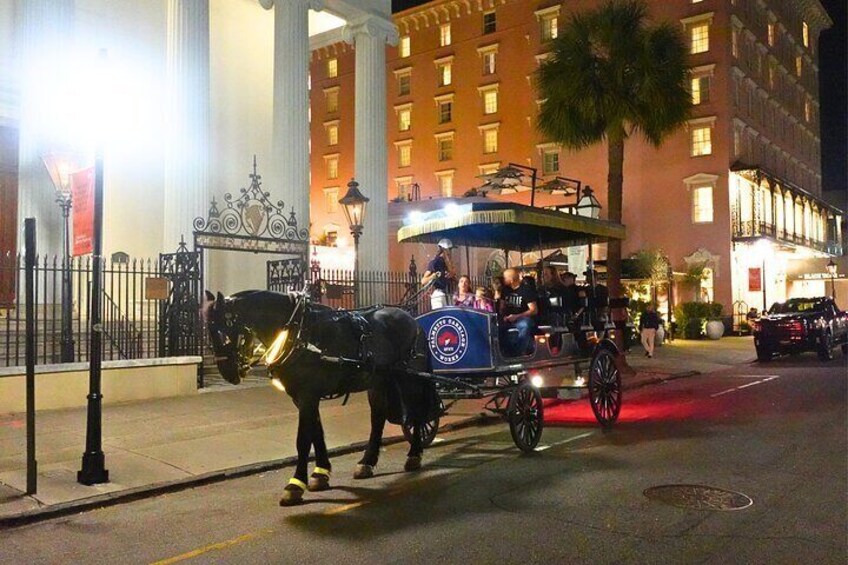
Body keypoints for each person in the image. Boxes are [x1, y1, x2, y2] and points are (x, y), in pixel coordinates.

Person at [500, 268, 538, 356]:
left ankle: (519, 352)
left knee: (525, 325)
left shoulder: (526, 290)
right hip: (508, 318)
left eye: (505, 278)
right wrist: (504, 316)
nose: (503, 280)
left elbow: (534, 310)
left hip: (522, 318)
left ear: (511, 279)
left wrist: (517, 316)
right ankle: (503, 352)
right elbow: (502, 307)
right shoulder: (505, 290)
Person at [421, 239, 455, 309]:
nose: (451, 252)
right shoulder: (435, 262)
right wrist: (433, 276)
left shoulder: (448, 263)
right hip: (439, 294)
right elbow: (423, 281)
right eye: (449, 249)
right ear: (444, 249)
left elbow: (453, 275)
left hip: (449, 294)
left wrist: (451, 273)